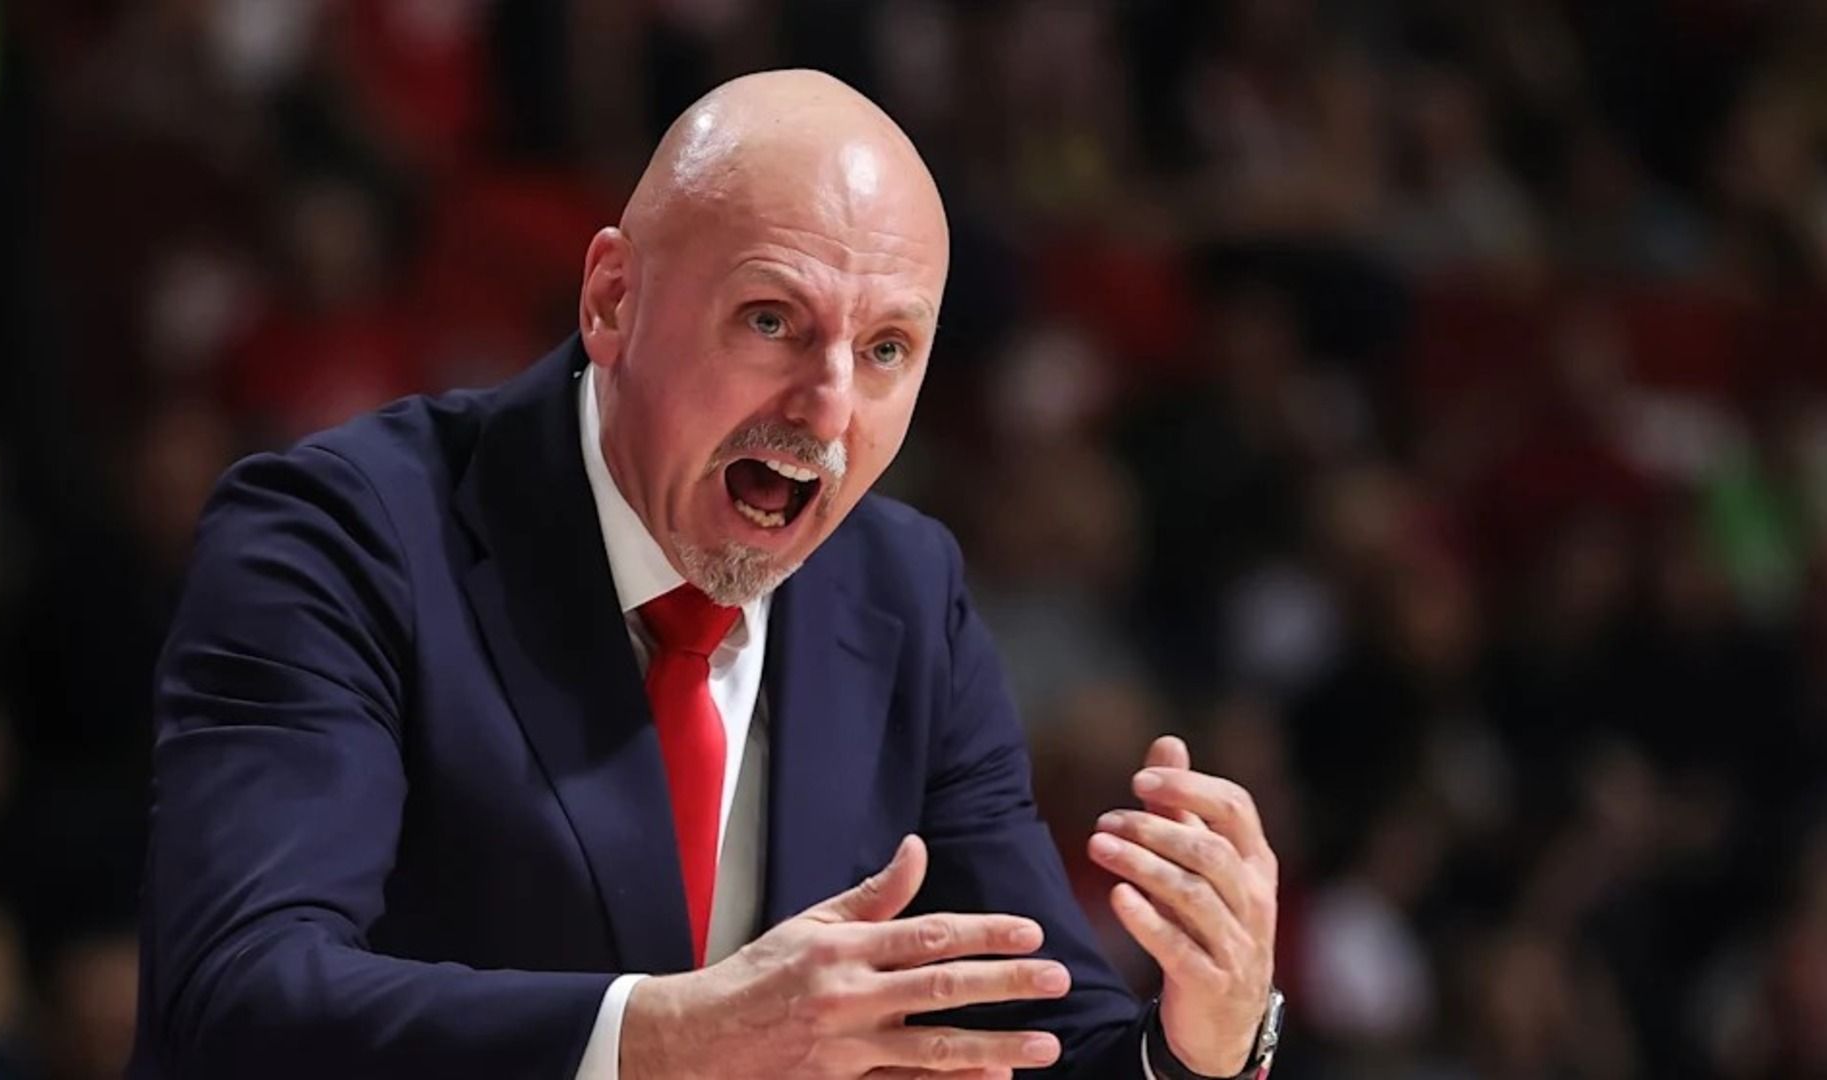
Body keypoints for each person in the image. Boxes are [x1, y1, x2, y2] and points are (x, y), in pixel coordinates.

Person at [128, 69, 1281, 1080]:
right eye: (773, 320)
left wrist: (1199, 1048)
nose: (827, 408)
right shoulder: (343, 538)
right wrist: (670, 1041)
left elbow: (1034, 1035)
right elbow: (237, 1001)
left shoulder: (903, 593)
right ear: (612, 300)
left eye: (886, 348)